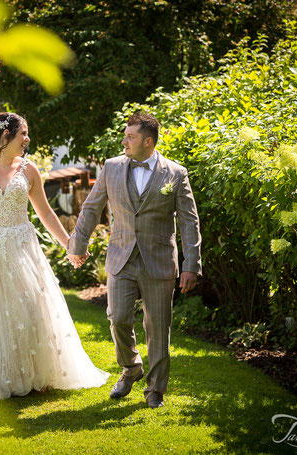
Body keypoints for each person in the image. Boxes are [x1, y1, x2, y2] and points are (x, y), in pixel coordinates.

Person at [0, 112, 109, 401]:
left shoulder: (29, 169)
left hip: (20, 246)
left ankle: (33, 372)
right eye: (24, 133)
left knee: (28, 308)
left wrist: (70, 244)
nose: (28, 139)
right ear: (6, 135)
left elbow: (45, 213)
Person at [68, 112, 202, 409]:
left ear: (148, 141)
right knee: (117, 318)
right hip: (122, 256)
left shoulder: (176, 173)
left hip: (159, 260)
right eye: (125, 136)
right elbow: (91, 208)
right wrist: (77, 243)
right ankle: (131, 367)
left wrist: (192, 264)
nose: (124, 141)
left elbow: (190, 222)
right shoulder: (111, 167)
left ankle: (155, 390)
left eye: (130, 137)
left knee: (158, 327)